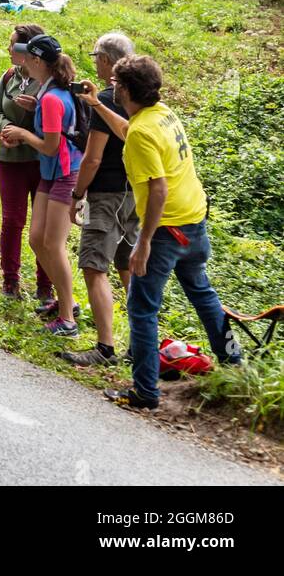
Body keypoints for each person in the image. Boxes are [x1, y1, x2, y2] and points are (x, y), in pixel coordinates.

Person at [103, 55, 242, 408]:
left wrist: (144, 243)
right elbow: (130, 131)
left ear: (125, 89)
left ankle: (145, 392)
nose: (112, 89)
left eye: (116, 85)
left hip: (166, 231)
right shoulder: (161, 114)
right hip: (194, 221)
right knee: (203, 294)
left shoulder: (142, 132)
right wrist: (94, 103)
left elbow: (158, 189)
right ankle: (235, 365)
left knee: (142, 307)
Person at [60, 33, 138, 366]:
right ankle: (140, 343)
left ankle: (105, 347)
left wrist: (77, 195)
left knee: (94, 267)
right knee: (128, 266)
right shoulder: (141, 97)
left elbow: (92, 158)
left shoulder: (106, 100)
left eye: (96, 57)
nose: (94, 62)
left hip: (106, 193)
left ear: (106, 61)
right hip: (136, 192)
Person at [0, 34, 83, 336]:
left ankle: (68, 316)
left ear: (36, 61)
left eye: (28, 58)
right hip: (51, 173)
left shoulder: (50, 97)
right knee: (36, 238)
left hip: (63, 172)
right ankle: (65, 300)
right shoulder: (52, 91)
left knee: (54, 245)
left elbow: (49, 146)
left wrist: (21, 134)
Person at [0, 23, 54, 301]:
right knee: (12, 221)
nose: (8, 49)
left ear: (28, 50)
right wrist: (5, 129)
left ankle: (45, 286)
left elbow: (60, 118)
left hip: (41, 162)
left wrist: (38, 110)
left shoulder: (48, 81)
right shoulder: (8, 77)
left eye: (13, 45)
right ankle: (10, 282)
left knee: (44, 227)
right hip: (10, 160)